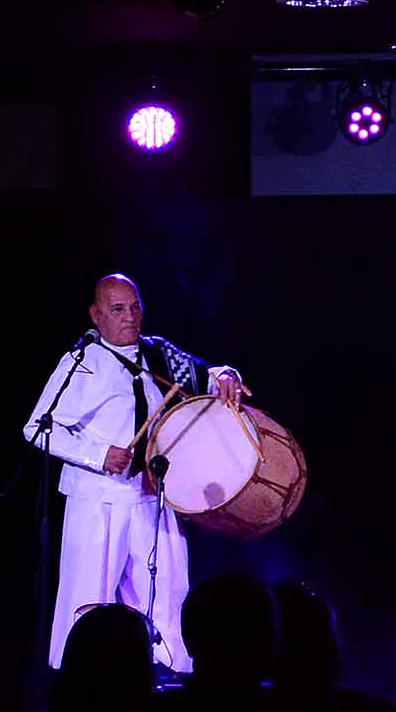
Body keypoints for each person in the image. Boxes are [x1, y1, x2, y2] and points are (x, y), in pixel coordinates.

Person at [22, 272, 247, 674]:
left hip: (151, 496)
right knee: (88, 596)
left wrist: (227, 375)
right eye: (117, 309)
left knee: (167, 591)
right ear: (96, 316)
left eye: (135, 306)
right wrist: (97, 454)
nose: (129, 317)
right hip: (97, 499)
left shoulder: (157, 355)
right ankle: (76, 679)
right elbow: (39, 427)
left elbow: (206, 376)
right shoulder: (81, 362)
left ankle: (173, 675)